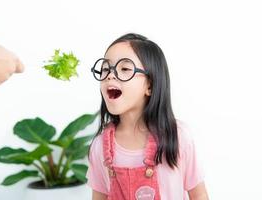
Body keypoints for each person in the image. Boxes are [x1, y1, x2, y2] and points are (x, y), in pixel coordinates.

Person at [87, 33, 209, 200]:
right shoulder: (100, 146)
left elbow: (199, 194)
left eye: (125, 69)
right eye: (106, 69)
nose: (110, 75)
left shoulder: (178, 136)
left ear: (150, 86)